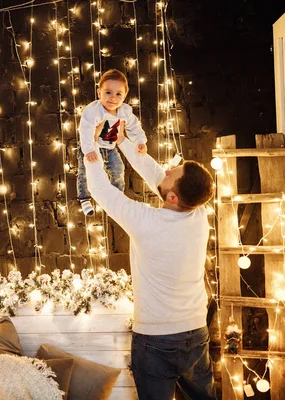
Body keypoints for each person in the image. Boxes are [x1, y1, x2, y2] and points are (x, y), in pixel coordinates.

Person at [84, 122, 217, 400]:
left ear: (171, 197)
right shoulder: (198, 213)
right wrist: (120, 140)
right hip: (195, 333)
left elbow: (101, 190)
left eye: (172, 173)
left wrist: (91, 148)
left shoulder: (144, 221)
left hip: (155, 341)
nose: (166, 170)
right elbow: (155, 173)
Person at [77, 69, 147, 216]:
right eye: (108, 92)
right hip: (92, 147)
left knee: (118, 169)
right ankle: (84, 198)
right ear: (99, 93)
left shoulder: (124, 111)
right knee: (85, 172)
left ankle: (116, 198)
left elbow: (134, 126)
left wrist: (140, 141)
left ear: (124, 96)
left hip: (110, 147)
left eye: (118, 94)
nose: (113, 98)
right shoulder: (93, 110)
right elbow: (86, 130)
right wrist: (89, 150)